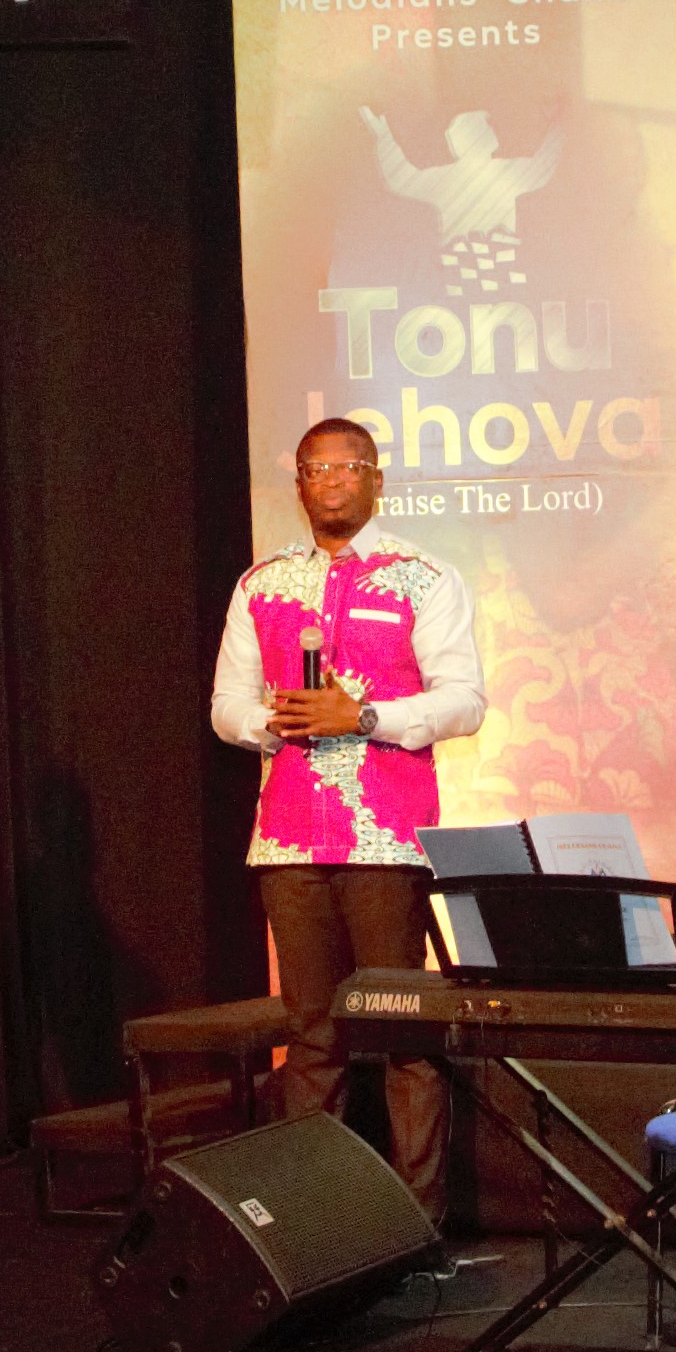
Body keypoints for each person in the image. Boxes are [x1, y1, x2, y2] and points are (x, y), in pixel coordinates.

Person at [208, 414, 484, 1196]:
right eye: (315, 469)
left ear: (376, 479)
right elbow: (226, 707)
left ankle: (418, 1218)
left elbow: (464, 702)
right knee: (312, 1035)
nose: (330, 481)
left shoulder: (423, 577)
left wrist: (361, 717)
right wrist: (278, 722)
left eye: (347, 467)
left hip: (386, 838)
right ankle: (318, 1221)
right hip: (289, 839)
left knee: (403, 1029)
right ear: (299, 486)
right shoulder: (261, 585)